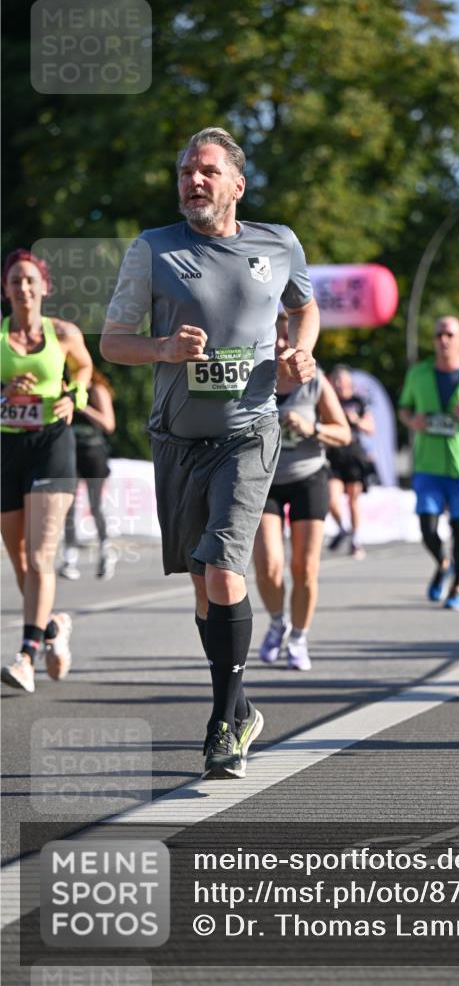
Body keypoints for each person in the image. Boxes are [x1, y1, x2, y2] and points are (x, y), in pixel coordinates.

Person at [101, 126, 318, 780]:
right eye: (185, 173)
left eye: (206, 172)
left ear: (235, 184)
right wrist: (163, 349)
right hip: (177, 438)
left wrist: (299, 353)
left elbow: (305, 309)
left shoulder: (277, 244)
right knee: (202, 584)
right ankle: (240, 704)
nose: (193, 182)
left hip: (251, 431)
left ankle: (223, 723)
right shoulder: (153, 250)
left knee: (223, 569)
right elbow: (113, 342)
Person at [1, 249, 92, 692]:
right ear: (5, 288)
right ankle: (54, 624)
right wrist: (3, 390)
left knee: (40, 556)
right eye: (15, 280)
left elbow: (85, 367)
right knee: (20, 560)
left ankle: (26, 655)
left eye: (31, 280)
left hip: (52, 444)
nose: (24, 288)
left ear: (45, 287)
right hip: (6, 448)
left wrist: (74, 394)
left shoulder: (64, 332)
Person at [253, 314, 350, 671]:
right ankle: (278, 621)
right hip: (264, 481)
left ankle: (299, 637)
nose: (280, 344)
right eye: (274, 337)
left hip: (309, 477)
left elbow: (344, 433)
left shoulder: (314, 381)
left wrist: (312, 428)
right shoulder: (253, 378)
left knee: (305, 569)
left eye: (286, 338)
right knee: (269, 566)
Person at [398, 315, 459, 610]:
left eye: (450, 334)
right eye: (439, 334)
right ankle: (443, 563)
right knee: (427, 528)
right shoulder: (419, 373)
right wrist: (412, 421)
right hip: (428, 463)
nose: (443, 339)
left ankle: (457, 588)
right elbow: (404, 408)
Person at [60, 367, 117, 580]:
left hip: (93, 453)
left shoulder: (96, 390)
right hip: (69, 452)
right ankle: (69, 558)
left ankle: (105, 550)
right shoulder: (64, 390)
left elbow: (109, 424)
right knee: (68, 505)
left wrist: (82, 406)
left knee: (96, 505)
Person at [326, 365, 376, 559]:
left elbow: (370, 427)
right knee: (331, 498)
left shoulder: (359, 401)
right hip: (334, 455)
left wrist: (355, 420)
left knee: (353, 499)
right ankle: (342, 528)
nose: (339, 384)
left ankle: (356, 539)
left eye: (342, 380)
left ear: (349, 382)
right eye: (336, 380)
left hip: (353, 455)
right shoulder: (329, 401)